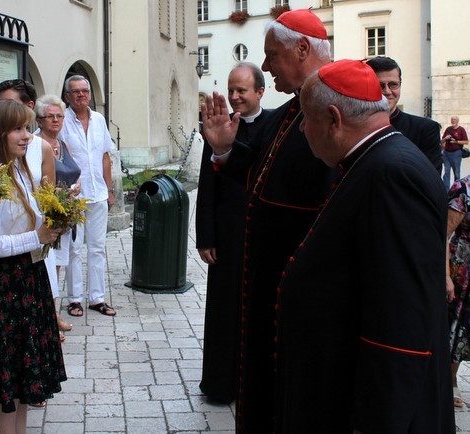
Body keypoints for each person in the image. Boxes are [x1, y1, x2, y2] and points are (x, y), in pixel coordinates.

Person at [274, 58, 454, 433]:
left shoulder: (392, 174)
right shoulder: (373, 159)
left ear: (335, 119)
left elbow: (401, 321)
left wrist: (375, 422)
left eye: (307, 119)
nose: (303, 129)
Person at [201, 9, 336, 432]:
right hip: (269, 278)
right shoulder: (289, 113)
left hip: (303, 285)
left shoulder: (336, 109)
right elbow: (256, 169)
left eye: (270, 55)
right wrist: (223, 148)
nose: (264, 65)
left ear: (301, 48)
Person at [0, 99, 66, 433]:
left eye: (27, 127)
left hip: (29, 279)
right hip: (6, 285)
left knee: (26, 375)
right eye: (18, 129)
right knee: (7, 375)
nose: (27, 136)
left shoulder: (19, 170)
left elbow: (30, 226)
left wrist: (58, 220)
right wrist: (36, 237)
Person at [195, 62, 270, 404]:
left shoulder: (274, 127)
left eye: (242, 90)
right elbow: (207, 185)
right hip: (226, 235)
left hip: (264, 235)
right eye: (232, 90)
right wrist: (205, 236)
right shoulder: (219, 127)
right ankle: (220, 383)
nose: (236, 96)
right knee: (224, 311)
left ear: (260, 92)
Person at [59, 75, 116, 317]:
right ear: (67, 97)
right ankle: (74, 299)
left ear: (90, 94)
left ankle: (97, 298)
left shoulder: (99, 119)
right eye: (76, 91)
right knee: (73, 248)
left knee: (97, 248)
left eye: (85, 90)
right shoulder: (61, 122)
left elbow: (105, 156)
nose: (81, 94)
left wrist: (109, 189)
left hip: (98, 194)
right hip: (74, 195)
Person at [35, 94, 82, 334]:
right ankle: (46, 318)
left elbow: (75, 172)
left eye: (59, 116)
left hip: (64, 214)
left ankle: (53, 314)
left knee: (59, 266)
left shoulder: (63, 144)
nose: (55, 120)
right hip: (44, 216)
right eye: (50, 116)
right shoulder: (34, 144)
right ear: (39, 120)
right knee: (45, 268)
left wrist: (77, 187)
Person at [366, 56, 442, 173]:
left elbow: (430, 181)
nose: (387, 91)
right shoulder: (352, 126)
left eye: (393, 84)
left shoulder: (425, 129)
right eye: (379, 85)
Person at [446, 175, 470, 408]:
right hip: (462, 268)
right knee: (456, 324)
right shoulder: (463, 188)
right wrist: (445, 277)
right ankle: (449, 380)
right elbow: (444, 235)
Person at [442, 115, 469, 189]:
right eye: (452, 119)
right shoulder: (448, 129)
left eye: (454, 119)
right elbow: (442, 140)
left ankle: (456, 189)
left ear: (457, 121)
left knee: (456, 172)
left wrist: (456, 141)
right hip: (446, 153)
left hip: (456, 153)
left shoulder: (461, 130)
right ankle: (446, 190)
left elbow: (466, 142)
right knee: (446, 172)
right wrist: (445, 138)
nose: (453, 121)